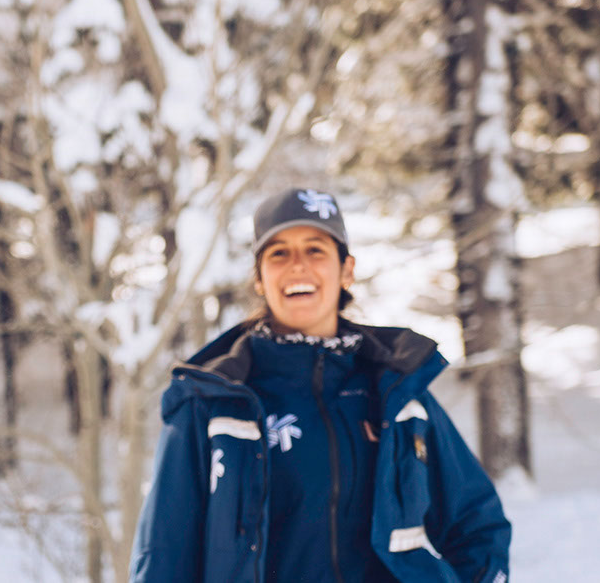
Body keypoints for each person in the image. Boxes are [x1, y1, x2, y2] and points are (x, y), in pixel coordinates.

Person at [130, 188, 511, 582]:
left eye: (315, 250)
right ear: (259, 278)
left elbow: (477, 524)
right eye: (278, 253)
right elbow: (163, 555)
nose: (298, 265)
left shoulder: (394, 392)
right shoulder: (211, 401)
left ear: (346, 270)